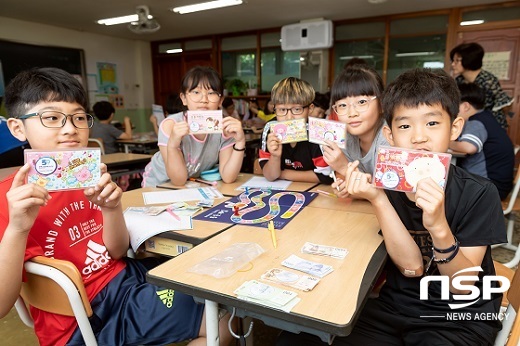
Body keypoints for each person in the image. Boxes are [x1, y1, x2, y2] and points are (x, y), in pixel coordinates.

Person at [0, 67, 232, 346]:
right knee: (222, 324)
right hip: (82, 321)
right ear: (17, 127)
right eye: (51, 118)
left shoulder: (88, 177)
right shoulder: (10, 199)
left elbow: (117, 252)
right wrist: (17, 229)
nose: (70, 129)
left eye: (78, 118)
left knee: (207, 281)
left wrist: (111, 209)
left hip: (124, 281)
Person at [277, 68, 507, 346]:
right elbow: (411, 267)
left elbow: (460, 288)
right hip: (396, 307)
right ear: (390, 134)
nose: (418, 137)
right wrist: (377, 198)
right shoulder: (390, 187)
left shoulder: (479, 193)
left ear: (455, 127)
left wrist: (438, 227)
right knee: (296, 338)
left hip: (459, 318)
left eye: (432, 123)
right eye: (405, 126)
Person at [142, 66, 246, 187]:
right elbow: (178, 180)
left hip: (191, 185)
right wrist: (173, 145)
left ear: (220, 100)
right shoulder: (170, 125)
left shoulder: (224, 127)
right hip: (157, 184)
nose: (204, 100)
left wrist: (240, 142)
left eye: (211, 93)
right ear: (184, 98)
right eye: (196, 92)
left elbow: (228, 177)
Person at [321, 65, 389, 186]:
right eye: (342, 105)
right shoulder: (345, 138)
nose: (352, 113)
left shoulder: (390, 138)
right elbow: (348, 182)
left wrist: (344, 167)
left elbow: (392, 194)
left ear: (382, 104)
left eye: (362, 102)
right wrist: (346, 188)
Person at [259, 77, 333, 184]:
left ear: (310, 109)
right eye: (282, 110)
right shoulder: (270, 130)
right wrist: (275, 156)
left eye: (297, 109)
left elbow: (325, 176)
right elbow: (270, 176)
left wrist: (283, 174)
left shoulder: (318, 132)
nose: (289, 117)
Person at [450, 83, 514, 200]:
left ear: (465, 106)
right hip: (496, 185)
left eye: (453, 106)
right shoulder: (486, 118)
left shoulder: (476, 122)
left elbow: (468, 147)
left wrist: (444, 142)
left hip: (489, 188)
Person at [450, 42, 513, 130]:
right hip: (468, 123)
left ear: (469, 59)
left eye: (457, 60)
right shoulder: (459, 80)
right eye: (453, 60)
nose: (453, 64)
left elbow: (505, 105)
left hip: (491, 126)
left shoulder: (488, 80)